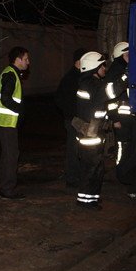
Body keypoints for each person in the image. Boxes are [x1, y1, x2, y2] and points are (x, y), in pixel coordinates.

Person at [0, 46, 30, 200]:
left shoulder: (11, 73)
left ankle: (5, 187)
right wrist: (19, 109)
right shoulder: (11, 74)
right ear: (17, 60)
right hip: (5, 121)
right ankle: (8, 189)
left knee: (8, 154)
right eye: (25, 59)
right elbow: (5, 98)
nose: (28, 62)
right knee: (11, 155)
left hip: (4, 121)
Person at [73, 51, 109, 210]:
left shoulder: (89, 83)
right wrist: (124, 80)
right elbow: (107, 94)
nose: (105, 68)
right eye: (102, 65)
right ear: (94, 66)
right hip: (90, 134)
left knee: (97, 168)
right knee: (91, 168)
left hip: (94, 132)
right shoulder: (91, 84)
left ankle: (92, 198)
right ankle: (84, 201)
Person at [54, 47, 87, 188]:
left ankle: (76, 175)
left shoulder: (78, 76)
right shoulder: (72, 78)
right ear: (78, 61)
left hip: (75, 119)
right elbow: (60, 99)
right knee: (73, 149)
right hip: (73, 120)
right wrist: (72, 116)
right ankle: (71, 178)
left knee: (78, 148)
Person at [104, 41, 136, 165]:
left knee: (132, 145)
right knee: (122, 145)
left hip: (131, 116)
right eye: (127, 55)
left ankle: (129, 168)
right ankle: (121, 169)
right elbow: (109, 97)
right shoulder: (115, 71)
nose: (131, 57)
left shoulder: (128, 69)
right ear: (120, 56)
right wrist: (115, 119)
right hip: (121, 118)